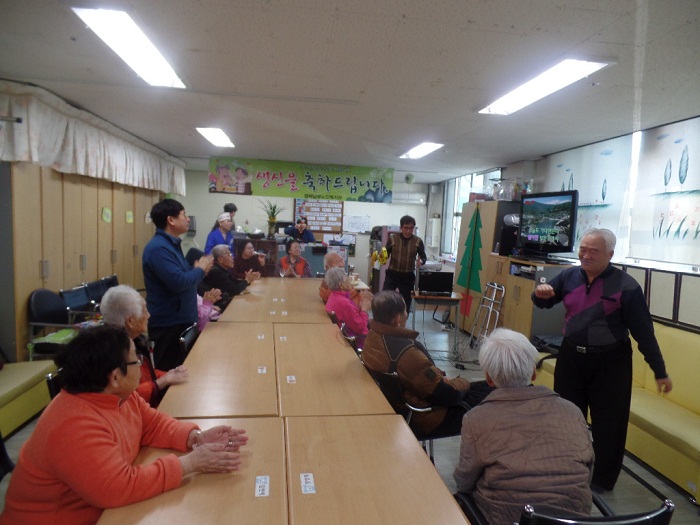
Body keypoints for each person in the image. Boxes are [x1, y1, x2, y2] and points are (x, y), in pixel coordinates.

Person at [0, 325, 248, 525]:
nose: (141, 365)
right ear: (115, 376)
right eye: (135, 360)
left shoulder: (119, 396)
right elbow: (116, 487)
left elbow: (152, 425)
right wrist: (190, 463)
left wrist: (196, 438)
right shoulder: (72, 424)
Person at [532, 228, 672, 492]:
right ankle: (568, 467)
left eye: (593, 251)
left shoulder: (627, 286)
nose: (585, 255)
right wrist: (539, 294)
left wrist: (660, 371)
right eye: (582, 249)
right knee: (566, 415)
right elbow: (546, 302)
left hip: (611, 362)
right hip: (571, 356)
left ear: (610, 254)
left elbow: (644, 334)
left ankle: (602, 480)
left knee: (609, 424)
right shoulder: (569, 276)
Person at [453, 328, 594, 525]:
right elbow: (588, 470)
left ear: (489, 378)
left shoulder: (476, 419)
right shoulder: (572, 411)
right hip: (573, 519)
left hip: (508, 519)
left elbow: (464, 481)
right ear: (534, 373)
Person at [362, 291, 493, 438]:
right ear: (397, 319)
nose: (407, 314)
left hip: (401, 406)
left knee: (488, 386)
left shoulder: (372, 337)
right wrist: (463, 381)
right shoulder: (406, 353)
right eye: (405, 310)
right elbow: (447, 395)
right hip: (426, 418)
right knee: (496, 396)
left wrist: (440, 379)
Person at [142, 199, 213, 370]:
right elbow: (179, 282)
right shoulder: (159, 248)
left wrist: (197, 271)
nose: (188, 219)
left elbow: (183, 276)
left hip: (181, 322)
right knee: (170, 374)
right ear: (171, 220)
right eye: (184, 215)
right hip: (169, 325)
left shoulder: (171, 244)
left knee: (184, 371)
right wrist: (200, 270)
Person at [100, 285, 189, 407]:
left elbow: (146, 374)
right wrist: (162, 381)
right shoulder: (111, 353)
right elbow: (126, 398)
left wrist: (171, 374)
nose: (148, 315)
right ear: (130, 321)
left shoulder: (133, 340)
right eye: (144, 311)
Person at [382, 215, 426, 313]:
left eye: (411, 228)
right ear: (401, 227)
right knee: (385, 298)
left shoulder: (418, 241)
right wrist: (381, 258)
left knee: (406, 303)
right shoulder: (393, 239)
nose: (408, 231)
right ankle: (385, 319)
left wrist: (421, 261)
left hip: (407, 276)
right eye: (406, 228)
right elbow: (385, 255)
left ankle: (403, 321)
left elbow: (423, 256)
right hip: (392, 275)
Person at [324, 267, 371, 348]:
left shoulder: (334, 296)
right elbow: (359, 328)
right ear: (341, 285)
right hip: (360, 340)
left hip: (347, 333)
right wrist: (364, 311)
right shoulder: (344, 303)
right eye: (347, 278)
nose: (349, 280)